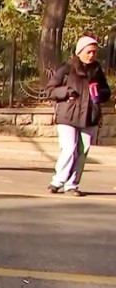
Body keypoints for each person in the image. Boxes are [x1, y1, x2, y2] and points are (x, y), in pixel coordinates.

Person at [44, 35, 111, 197]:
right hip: (68, 114)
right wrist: (66, 92)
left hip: (89, 116)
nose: (91, 55)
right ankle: (57, 181)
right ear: (80, 52)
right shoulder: (67, 68)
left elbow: (106, 92)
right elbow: (50, 90)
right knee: (69, 148)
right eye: (89, 52)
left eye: (94, 52)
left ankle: (72, 184)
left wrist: (99, 95)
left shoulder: (96, 70)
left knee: (83, 150)